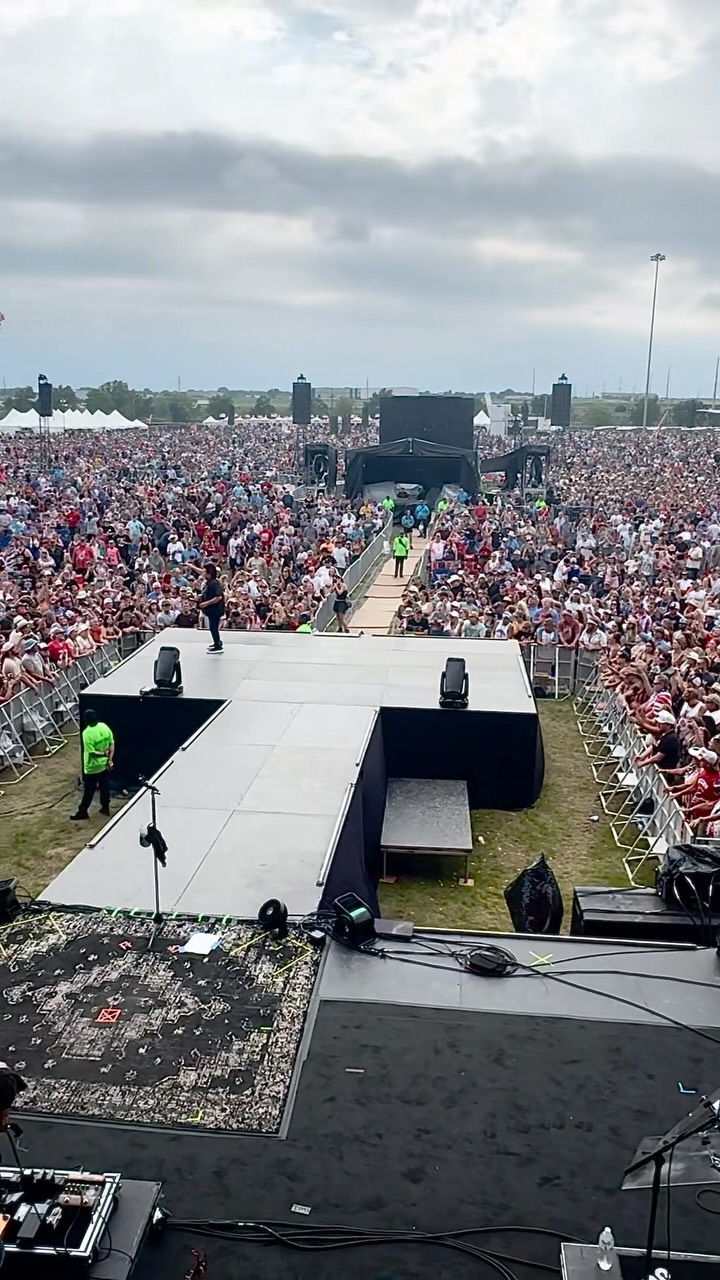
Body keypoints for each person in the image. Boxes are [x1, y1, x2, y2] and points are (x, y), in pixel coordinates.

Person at [71, 708, 114, 820]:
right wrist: (109, 759)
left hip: (92, 767)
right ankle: (105, 808)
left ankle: (82, 812)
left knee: (89, 792)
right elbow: (111, 743)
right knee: (105, 788)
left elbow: (92, 753)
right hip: (104, 765)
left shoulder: (87, 733)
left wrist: (104, 754)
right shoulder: (104, 726)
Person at [198, 562, 225, 653]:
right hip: (211, 610)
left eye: (205, 572)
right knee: (213, 627)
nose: (203, 573)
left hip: (215, 610)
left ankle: (217, 645)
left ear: (209, 573)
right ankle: (217, 642)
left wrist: (206, 604)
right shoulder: (209, 583)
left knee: (213, 627)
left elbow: (218, 597)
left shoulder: (215, 583)